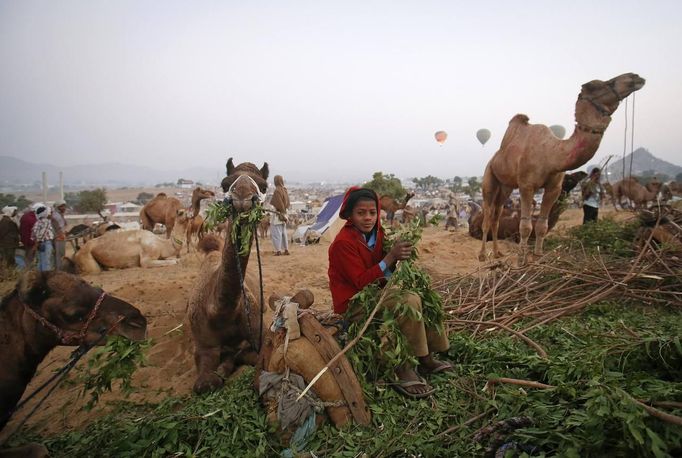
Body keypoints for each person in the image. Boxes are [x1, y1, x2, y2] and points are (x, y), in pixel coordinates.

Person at [328, 187, 452, 399]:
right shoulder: (343, 243)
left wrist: (400, 258)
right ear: (349, 215)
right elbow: (360, 282)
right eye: (361, 213)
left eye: (372, 212)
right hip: (353, 303)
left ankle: (427, 356)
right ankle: (403, 368)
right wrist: (391, 257)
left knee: (422, 294)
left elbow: (385, 269)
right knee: (408, 302)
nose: (368, 218)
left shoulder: (378, 234)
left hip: (375, 293)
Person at [270, 175, 291, 256]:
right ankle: (286, 250)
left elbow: (278, 203)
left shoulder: (277, 191)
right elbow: (287, 203)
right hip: (285, 214)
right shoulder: (285, 190)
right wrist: (284, 213)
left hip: (278, 215)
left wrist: (281, 212)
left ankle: (278, 250)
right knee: (283, 233)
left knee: (276, 233)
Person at [31, 206, 55, 271]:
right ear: (44, 213)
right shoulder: (46, 221)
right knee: (47, 262)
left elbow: (33, 234)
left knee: (41, 261)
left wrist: (36, 243)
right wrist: (37, 243)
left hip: (40, 244)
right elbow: (42, 233)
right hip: (46, 243)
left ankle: (40, 277)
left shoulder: (37, 222)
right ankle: (46, 277)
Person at [51, 199, 68, 270]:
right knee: (59, 254)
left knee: (61, 254)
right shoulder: (56, 216)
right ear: (58, 207)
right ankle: (59, 270)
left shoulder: (59, 215)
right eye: (62, 206)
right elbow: (57, 228)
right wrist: (61, 235)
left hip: (61, 236)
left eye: (64, 206)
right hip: (58, 238)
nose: (64, 208)